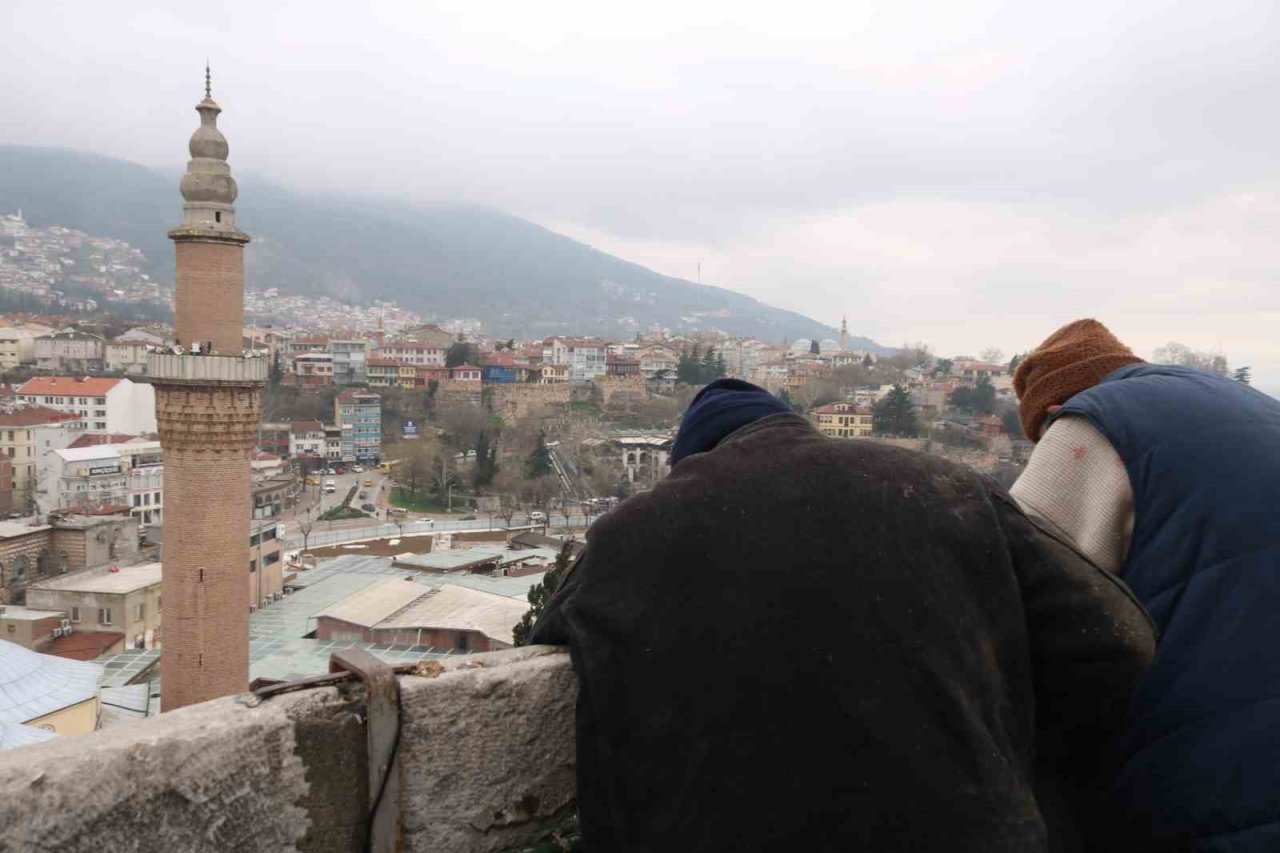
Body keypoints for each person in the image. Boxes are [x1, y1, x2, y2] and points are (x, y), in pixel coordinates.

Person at [532, 378, 1153, 852]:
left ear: (693, 460)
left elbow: (549, 635)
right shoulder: (947, 489)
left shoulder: (629, 535)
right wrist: (1001, 740)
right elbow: (1117, 639)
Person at [1011, 319, 1280, 851]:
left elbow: (1012, 594)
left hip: (1203, 777)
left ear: (1049, 410)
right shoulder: (1251, 406)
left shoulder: (1091, 425)